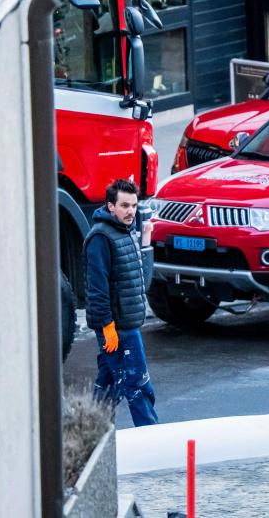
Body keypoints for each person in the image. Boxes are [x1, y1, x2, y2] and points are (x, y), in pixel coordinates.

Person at [85, 178, 157, 426]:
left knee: (107, 386)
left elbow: (134, 278)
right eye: (124, 206)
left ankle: (89, 432)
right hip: (119, 328)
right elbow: (97, 289)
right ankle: (153, 442)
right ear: (110, 206)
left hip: (126, 324)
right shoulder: (101, 239)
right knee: (138, 385)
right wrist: (107, 327)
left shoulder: (124, 232)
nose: (130, 211)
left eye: (134, 206)